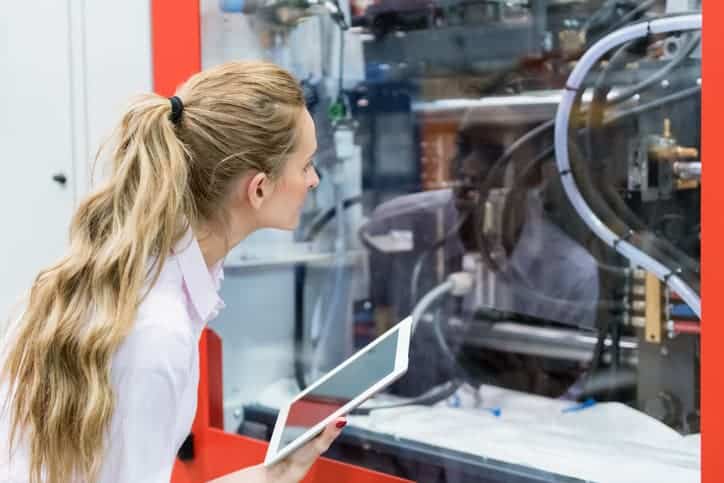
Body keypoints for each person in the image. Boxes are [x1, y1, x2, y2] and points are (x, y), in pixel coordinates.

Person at [0, 61, 345, 483]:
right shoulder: (156, 331)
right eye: (306, 164)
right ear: (258, 188)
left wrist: (279, 472)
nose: (313, 181)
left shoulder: (124, 281)